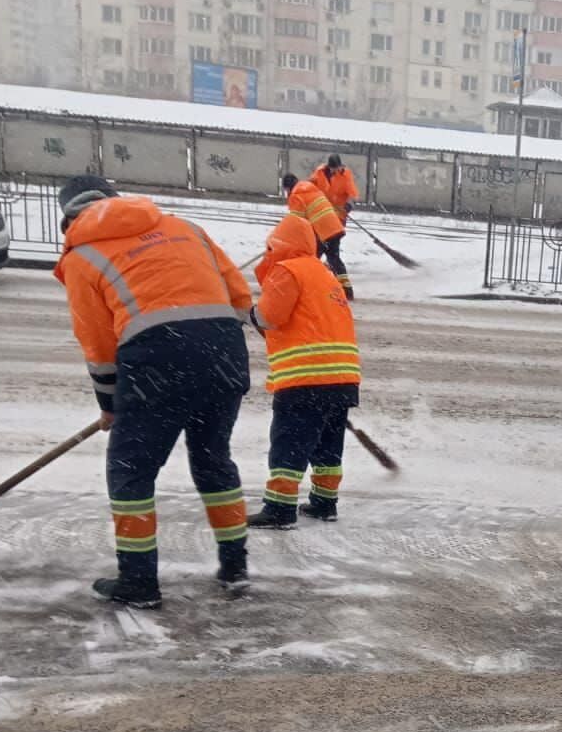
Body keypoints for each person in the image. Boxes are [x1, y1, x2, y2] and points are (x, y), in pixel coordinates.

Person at [52, 174, 254, 609]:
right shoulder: (186, 228)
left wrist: (110, 404)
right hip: (224, 351)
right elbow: (240, 298)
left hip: (155, 359)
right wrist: (207, 346)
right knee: (213, 459)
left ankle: (139, 582)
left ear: (67, 218)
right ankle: (235, 568)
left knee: (131, 472)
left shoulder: (82, 256)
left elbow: (99, 346)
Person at [247, 212, 361, 530]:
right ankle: (325, 503)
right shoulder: (324, 273)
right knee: (327, 443)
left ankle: (280, 508)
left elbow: (270, 316)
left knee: (289, 442)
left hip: (305, 377)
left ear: (277, 244)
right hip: (342, 377)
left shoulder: (287, 270)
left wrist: (248, 313)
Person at [282, 172, 353, 301]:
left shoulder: (296, 195)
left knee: (311, 260)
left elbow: (296, 221)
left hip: (323, 232)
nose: (286, 193)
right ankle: (346, 290)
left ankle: (310, 288)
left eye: (286, 190)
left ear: (288, 187)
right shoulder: (310, 189)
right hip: (334, 227)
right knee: (334, 259)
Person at [309, 154, 359, 231]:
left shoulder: (346, 175)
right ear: (329, 166)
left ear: (340, 166)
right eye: (333, 168)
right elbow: (310, 187)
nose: (335, 170)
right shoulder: (320, 172)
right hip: (322, 212)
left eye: (337, 168)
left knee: (334, 237)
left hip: (338, 214)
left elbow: (353, 194)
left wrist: (348, 205)